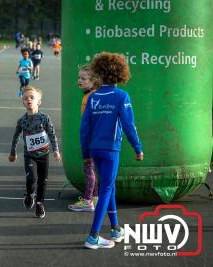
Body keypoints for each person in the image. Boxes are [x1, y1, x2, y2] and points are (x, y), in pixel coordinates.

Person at [81, 52, 144, 249]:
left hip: (95, 149)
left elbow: (84, 129)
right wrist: (138, 148)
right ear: (120, 74)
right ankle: (93, 236)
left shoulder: (92, 97)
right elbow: (129, 125)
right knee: (107, 189)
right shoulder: (121, 96)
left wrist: (86, 154)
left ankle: (116, 229)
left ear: (99, 73)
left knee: (109, 186)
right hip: (110, 150)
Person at [9, 86, 61, 219]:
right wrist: (13, 152)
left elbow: (52, 134)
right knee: (31, 178)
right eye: (25, 98)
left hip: (44, 155)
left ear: (39, 102)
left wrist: (56, 150)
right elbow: (16, 137)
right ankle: (29, 193)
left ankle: (39, 203)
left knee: (43, 181)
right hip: (29, 155)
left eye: (32, 97)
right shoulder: (22, 121)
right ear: (23, 102)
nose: (28, 100)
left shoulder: (44, 118)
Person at [68, 65, 101, 212]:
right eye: (78, 77)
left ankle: (88, 200)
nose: (79, 81)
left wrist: (88, 139)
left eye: (83, 78)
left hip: (91, 140)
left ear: (93, 81)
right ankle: (94, 197)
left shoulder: (91, 97)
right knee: (91, 168)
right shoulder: (90, 95)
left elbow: (93, 120)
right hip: (94, 139)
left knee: (88, 169)